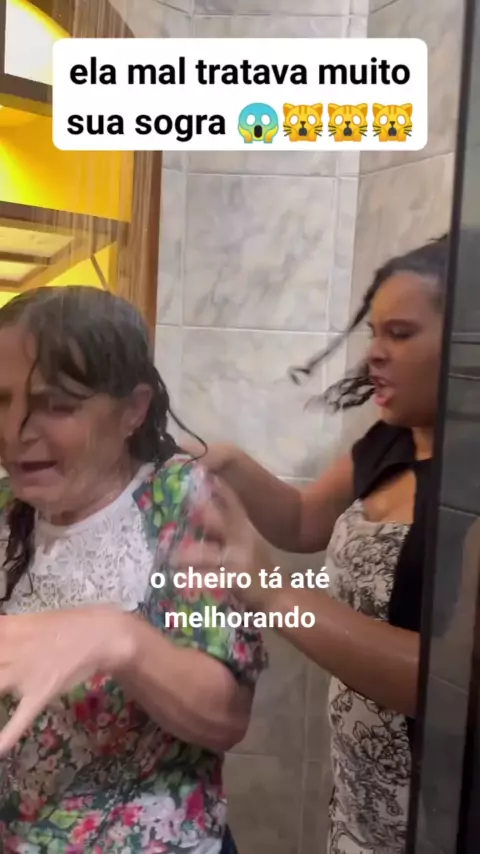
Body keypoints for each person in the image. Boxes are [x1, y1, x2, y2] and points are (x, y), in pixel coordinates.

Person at [176, 235, 449, 854]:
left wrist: (272, 592)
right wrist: (228, 461)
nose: (374, 353)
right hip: (357, 807)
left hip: (436, 821)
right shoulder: (389, 441)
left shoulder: (468, 489)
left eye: (401, 333)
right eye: (373, 332)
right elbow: (303, 522)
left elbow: (442, 682)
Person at [0, 286, 265, 853]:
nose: (16, 431)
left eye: (56, 405)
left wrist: (117, 639)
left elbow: (227, 715)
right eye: (1, 401)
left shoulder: (180, 501)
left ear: (133, 410)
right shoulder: (7, 511)